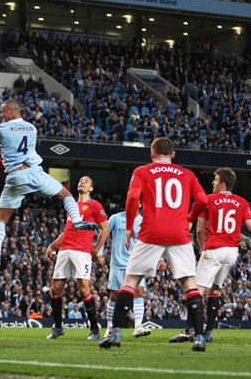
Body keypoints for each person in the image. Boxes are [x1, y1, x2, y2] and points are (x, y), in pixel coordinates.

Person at [99, 137, 208, 352]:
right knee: (189, 283)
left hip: (151, 231)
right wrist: (189, 219)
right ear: (173, 154)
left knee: (130, 281)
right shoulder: (187, 174)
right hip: (179, 233)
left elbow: (132, 198)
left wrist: (129, 227)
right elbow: (203, 201)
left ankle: (115, 333)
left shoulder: (142, 172)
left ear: (152, 154)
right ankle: (199, 337)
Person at [0, 100, 98, 273]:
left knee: (1, 219)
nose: (1, 115)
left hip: (16, 177)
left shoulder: (1, 129)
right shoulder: (32, 128)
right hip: (36, 172)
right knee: (66, 195)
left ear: (11, 111)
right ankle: (77, 221)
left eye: (3, 111)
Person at [170, 167, 251, 343]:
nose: (212, 183)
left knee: (197, 290)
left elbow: (200, 230)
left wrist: (204, 249)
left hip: (214, 248)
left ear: (222, 183)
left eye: (215, 180)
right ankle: (209, 332)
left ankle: (190, 330)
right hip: (231, 252)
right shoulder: (241, 202)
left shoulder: (209, 199)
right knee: (215, 290)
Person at [44, 176, 108, 341]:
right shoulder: (71, 205)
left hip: (82, 251)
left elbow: (105, 229)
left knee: (84, 289)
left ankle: (94, 329)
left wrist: (96, 250)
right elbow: (67, 231)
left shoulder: (95, 205)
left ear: (91, 188)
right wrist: (52, 245)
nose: (82, 182)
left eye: (86, 181)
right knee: (55, 289)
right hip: (65, 249)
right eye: (80, 181)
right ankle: (58, 327)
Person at [105, 208, 151, 338]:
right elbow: (104, 232)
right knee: (114, 296)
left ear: (140, 204)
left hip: (135, 263)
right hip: (117, 264)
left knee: (139, 292)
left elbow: (150, 241)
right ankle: (109, 327)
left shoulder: (144, 221)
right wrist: (99, 252)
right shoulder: (115, 218)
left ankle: (138, 327)